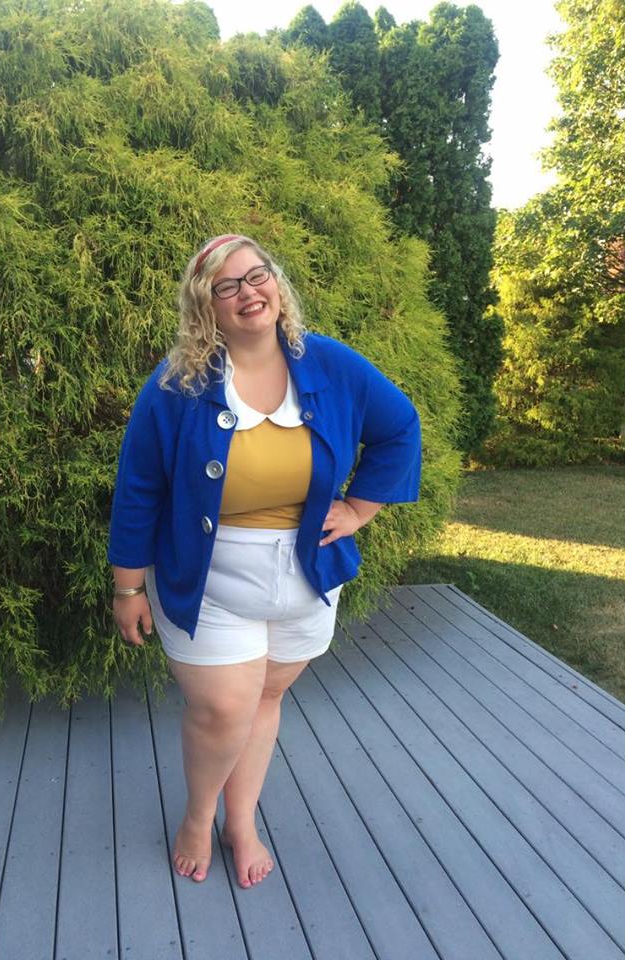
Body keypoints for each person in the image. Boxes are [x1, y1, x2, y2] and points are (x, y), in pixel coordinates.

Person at [108, 234, 422, 890]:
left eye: (257, 276)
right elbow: (139, 486)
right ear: (206, 307)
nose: (248, 293)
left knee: (265, 697)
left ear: (275, 283)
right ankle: (199, 817)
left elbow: (399, 427)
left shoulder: (328, 363)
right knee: (224, 708)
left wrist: (359, 510)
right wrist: (128, 587)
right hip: (209, 575)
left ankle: (241, 820)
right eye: (227, 286)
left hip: (307, 571)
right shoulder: (177, 384)